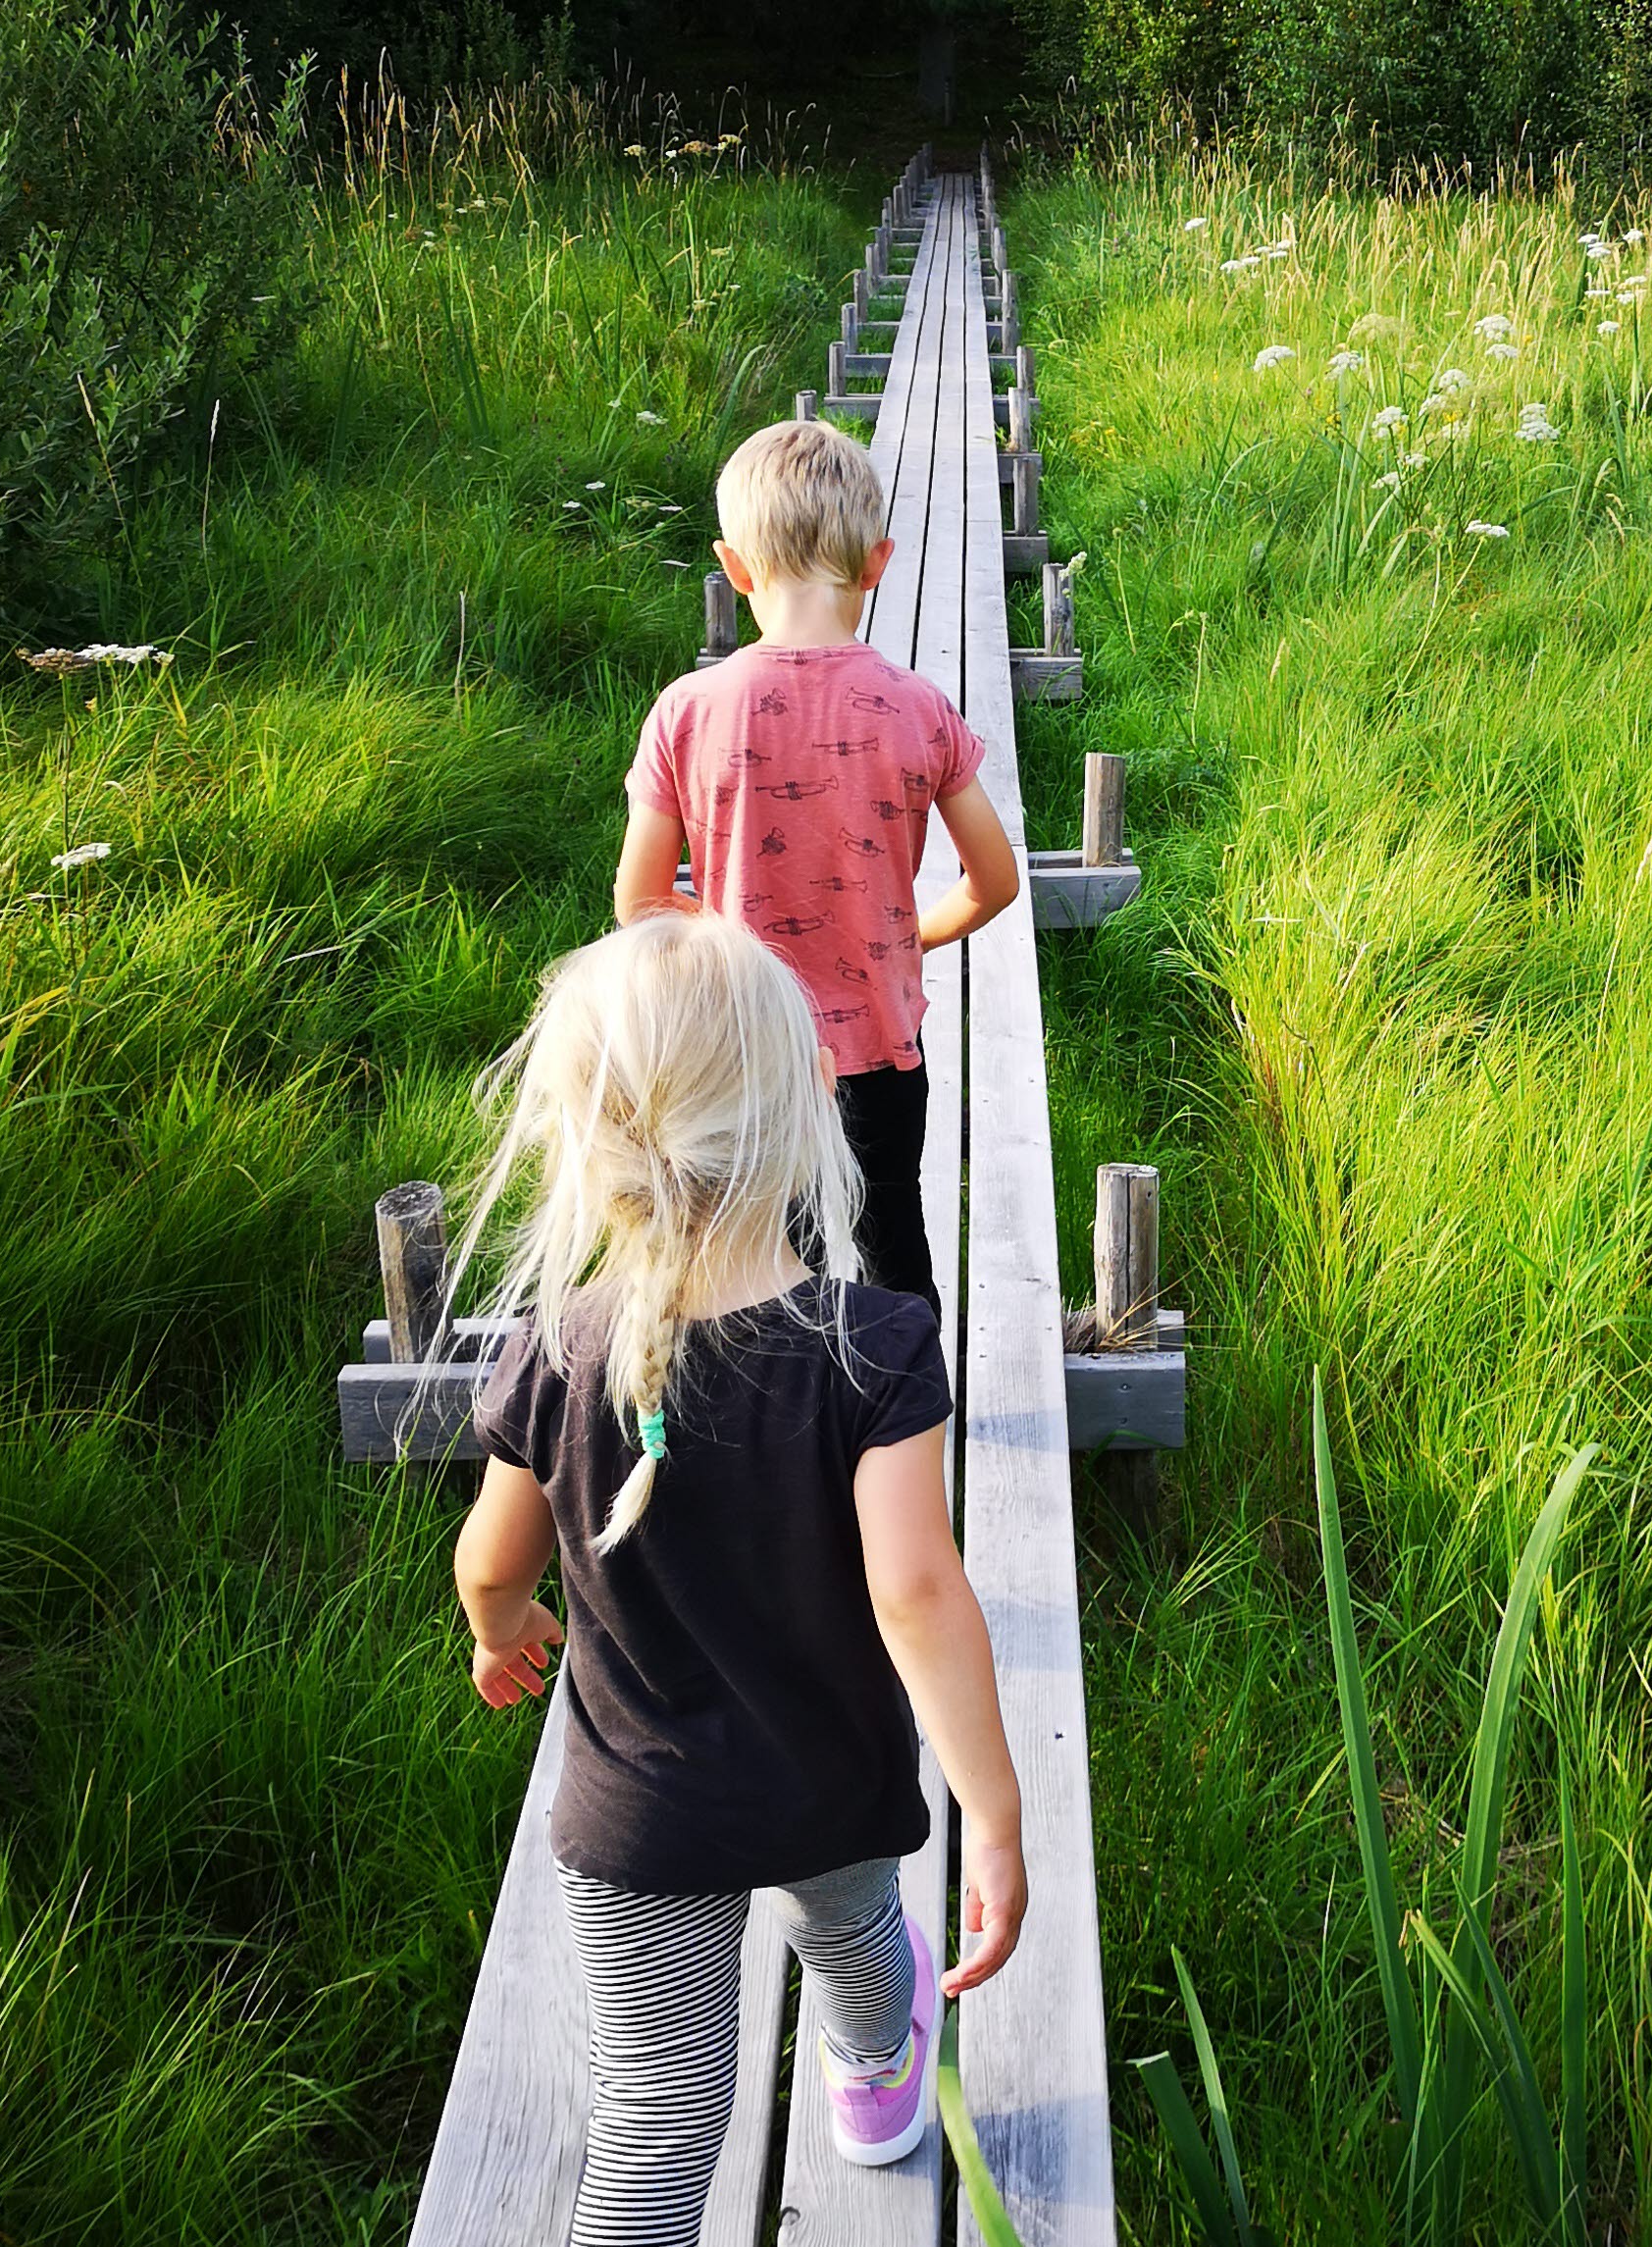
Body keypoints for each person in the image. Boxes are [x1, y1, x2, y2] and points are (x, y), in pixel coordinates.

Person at [447, 911, 1026, 2239]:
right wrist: (991, 1810)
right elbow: (917, 1592)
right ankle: (879, 2089)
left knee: (655, 2116)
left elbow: (490, 1561)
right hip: (831, 1786)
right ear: (810, 1101)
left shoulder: (561, 1349)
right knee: (865, 1951)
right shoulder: (872, 1346)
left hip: (637, 1825)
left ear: (587, 1149)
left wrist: (503, 1626)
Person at [612, 416, 1022, 1316]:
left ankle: (792, 1434)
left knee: (763, 1259)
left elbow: (639, 903)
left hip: (748, 1051)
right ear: (876, 564)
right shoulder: (919, 708)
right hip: (879, 1046)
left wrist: (722, 934)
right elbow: (995, 882)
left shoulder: (686, 711)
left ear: (734, 567)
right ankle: (916, 1427)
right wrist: (907, 935)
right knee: (893, 1246)